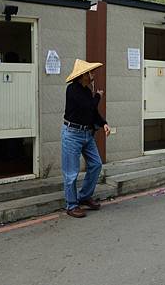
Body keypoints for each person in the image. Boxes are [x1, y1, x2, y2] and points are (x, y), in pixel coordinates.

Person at [62, 59, 111, 218]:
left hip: (86, 134)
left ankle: (84, 196)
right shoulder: (72, 90)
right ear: (83, 75)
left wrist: (103, 123)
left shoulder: (86, 90)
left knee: (96, 164)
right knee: (71, 173)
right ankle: (71, 205)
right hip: (72, 134)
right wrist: (98, 96)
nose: (93, 75)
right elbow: (88, 106)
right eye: (91, 72)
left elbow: (92, 112)